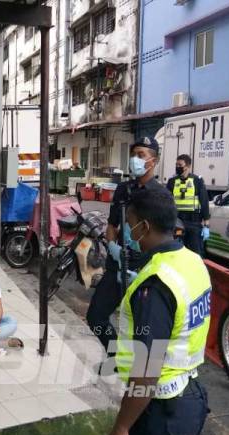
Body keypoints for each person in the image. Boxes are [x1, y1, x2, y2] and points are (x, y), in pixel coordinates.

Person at [107, 189, 210, 435]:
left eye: (130, 226)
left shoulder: (156, 283)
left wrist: (121, 427)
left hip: (159, 410)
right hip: (190, 396)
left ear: (145, 226)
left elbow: (147, 369)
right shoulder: (193, 261)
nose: (128, 234)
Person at [87, 136, 166, 352]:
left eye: (141, 155)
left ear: (154, 161)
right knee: (96, 316)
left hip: (144, 269)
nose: (135, 160)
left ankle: (140, 373)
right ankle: (115, 356)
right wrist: (112, 247)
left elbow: (165, 240)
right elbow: (112, 225)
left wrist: (145, 268)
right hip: (118, 263)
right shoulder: (123, 190)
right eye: (133, 155)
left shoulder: (161, 195)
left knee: (143, 328)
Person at [166, 154, 210, 256]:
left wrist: (206, 225)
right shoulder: (172, 181)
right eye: (176, 165)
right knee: (176, 253)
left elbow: (204, 202)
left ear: (188, 166)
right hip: (177, 222)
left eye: (180, 165)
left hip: (194, 223)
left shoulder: (197, 181)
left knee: (195, 254)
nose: (177, 167)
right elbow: (166, 202)